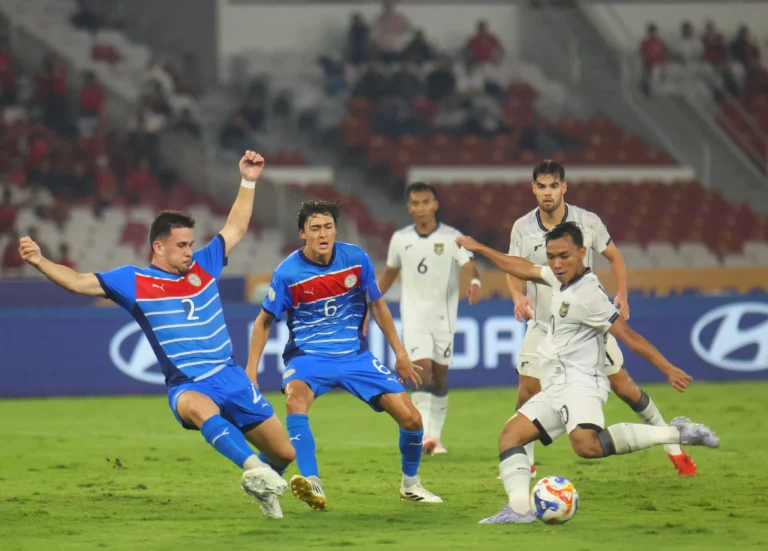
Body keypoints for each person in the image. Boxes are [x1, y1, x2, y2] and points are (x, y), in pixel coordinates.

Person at [18, 152, 297, 520]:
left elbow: (236, 227)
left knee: (284, 454)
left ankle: (263, 485)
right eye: (181, 245)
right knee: (199, 408)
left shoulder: (205, 265)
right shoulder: (134, 281)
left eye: (191, 244)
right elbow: (77, 282)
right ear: (159, 248)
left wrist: (248, 180)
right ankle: (253, 469)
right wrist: (40, 261)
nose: (189, 251)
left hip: (229, 375)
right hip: (188, 385)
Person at [455, 223, 720, 524]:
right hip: (555, 383)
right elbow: (524, 267)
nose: (555, 263)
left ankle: (678, 433)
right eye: (551, 256)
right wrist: (481, 249)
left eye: (564, 256)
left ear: (582, 253)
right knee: (510, 436)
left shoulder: (589, 295)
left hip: (581, 383)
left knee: (587, 446)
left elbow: (629, 336)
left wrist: (668, 369)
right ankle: (518, 510)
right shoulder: (559, 279)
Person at [246, 199, 442, 511]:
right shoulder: (288, 273)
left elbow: (377, 305)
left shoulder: (356, 259)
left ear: (336, 230)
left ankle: (411, 485)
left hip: (355, 357)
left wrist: (401, 354)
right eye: (315, 228)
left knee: (412, 418)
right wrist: (251, 372)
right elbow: (263, 321)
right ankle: (312, 482)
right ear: (302, 234)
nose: (323, 234)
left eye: (328, 227)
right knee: (295, 399)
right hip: (308, 358)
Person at [505, 160, 696, 477]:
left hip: (586, 325)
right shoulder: (522, 228)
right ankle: (525, 464)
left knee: (625, 388)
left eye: (554, 186)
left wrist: (621, 293)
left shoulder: (587, 222)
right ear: (533, 189)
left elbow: (614, 256)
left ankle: (674, 449)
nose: (548, 192)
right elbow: (513, 268)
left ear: (564, 187)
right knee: (527, 391)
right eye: (542, 186)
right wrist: (517, 295)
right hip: (543, 325)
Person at [375, 182, 481, 455]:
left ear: (435, 205)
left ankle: (436, 435)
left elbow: (469, 265)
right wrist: (368, 301)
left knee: (440, 377)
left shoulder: (451, 237)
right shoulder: (400, 239)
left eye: (426, 202)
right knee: (422, 370)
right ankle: (426, 437)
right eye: (415, 203)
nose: (421, 208)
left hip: (444, 318)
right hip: (413, 317)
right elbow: (388, 275)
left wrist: (475, 283)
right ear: (409, 207)